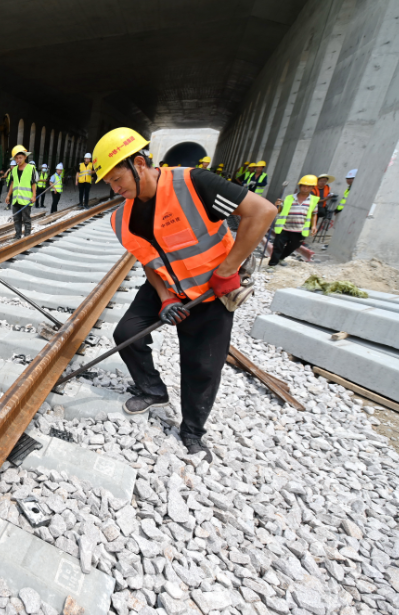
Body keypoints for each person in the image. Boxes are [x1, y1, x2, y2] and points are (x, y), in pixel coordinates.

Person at [93, 127, 276, 462]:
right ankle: (152, 389)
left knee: (202, 367)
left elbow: (261, 212)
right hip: (168, 287)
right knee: (127, 333)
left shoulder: (193, 183)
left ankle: (192, 431)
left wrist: (227, 270)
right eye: (109, 183)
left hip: (211, 293)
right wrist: (165, 298)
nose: (115, 188)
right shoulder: (122, 218)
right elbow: (148, 261)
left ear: (139, 163)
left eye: (118, 179)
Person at [268, 175, 319, 268]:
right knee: (278, 246)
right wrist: (277, 205)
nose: (305, 188)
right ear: (299, 186)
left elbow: (314, 214)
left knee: (293, 246)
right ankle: (272, 264)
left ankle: (281, 258)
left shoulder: (313, 200)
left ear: (312, 188)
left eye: (309, 186)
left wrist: (314, 226)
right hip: (284, 227)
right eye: (303, 186)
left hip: (300, 229)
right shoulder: (289, 198)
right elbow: (279, 210)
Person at [7, 145, 38, 239]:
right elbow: (12, 183)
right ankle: (18, 235)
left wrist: (34, 195)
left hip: (26, 199)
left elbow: (33, 183)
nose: (18, 160)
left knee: (26, 218)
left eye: (20, 157)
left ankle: (27, 235)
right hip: (16, 199)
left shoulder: (31, 168)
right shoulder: (14, 170)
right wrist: (8, 195)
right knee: (16, 218)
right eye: (16, 158)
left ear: (25, 157)